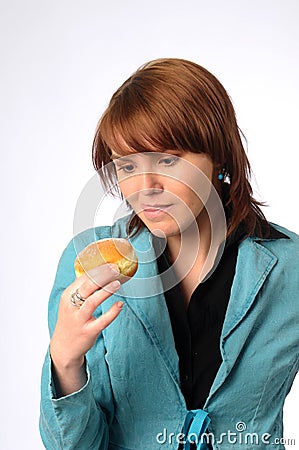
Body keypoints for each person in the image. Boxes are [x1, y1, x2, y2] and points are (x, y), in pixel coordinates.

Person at [39, 58, 299, 450]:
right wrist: (65, 360)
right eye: (127, 165)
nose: (146, 186)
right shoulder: (92, 260)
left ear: (220, 159)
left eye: (168, 159)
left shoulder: (290, 268)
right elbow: (76, 445)